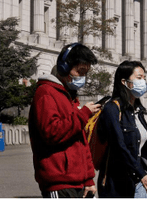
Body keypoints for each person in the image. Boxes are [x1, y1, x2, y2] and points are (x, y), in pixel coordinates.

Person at [29, 43, 101, 198]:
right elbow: (51, 132)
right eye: (80, 72)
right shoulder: (46, 93)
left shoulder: (69, 96)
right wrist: (83, 115)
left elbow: (81, 143)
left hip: (79, 182)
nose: (82, 77)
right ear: (64, 67)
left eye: (86, 73)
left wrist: (89, 179)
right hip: (59, 182)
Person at [97, 61, 147, 198]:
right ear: (124, 82)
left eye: (144, 78)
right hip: (118, 184)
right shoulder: (111, 109)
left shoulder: (138, 111)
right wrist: (142, 174)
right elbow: (119, 146)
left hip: (140, 183)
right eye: (139, 78)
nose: (143, 82)